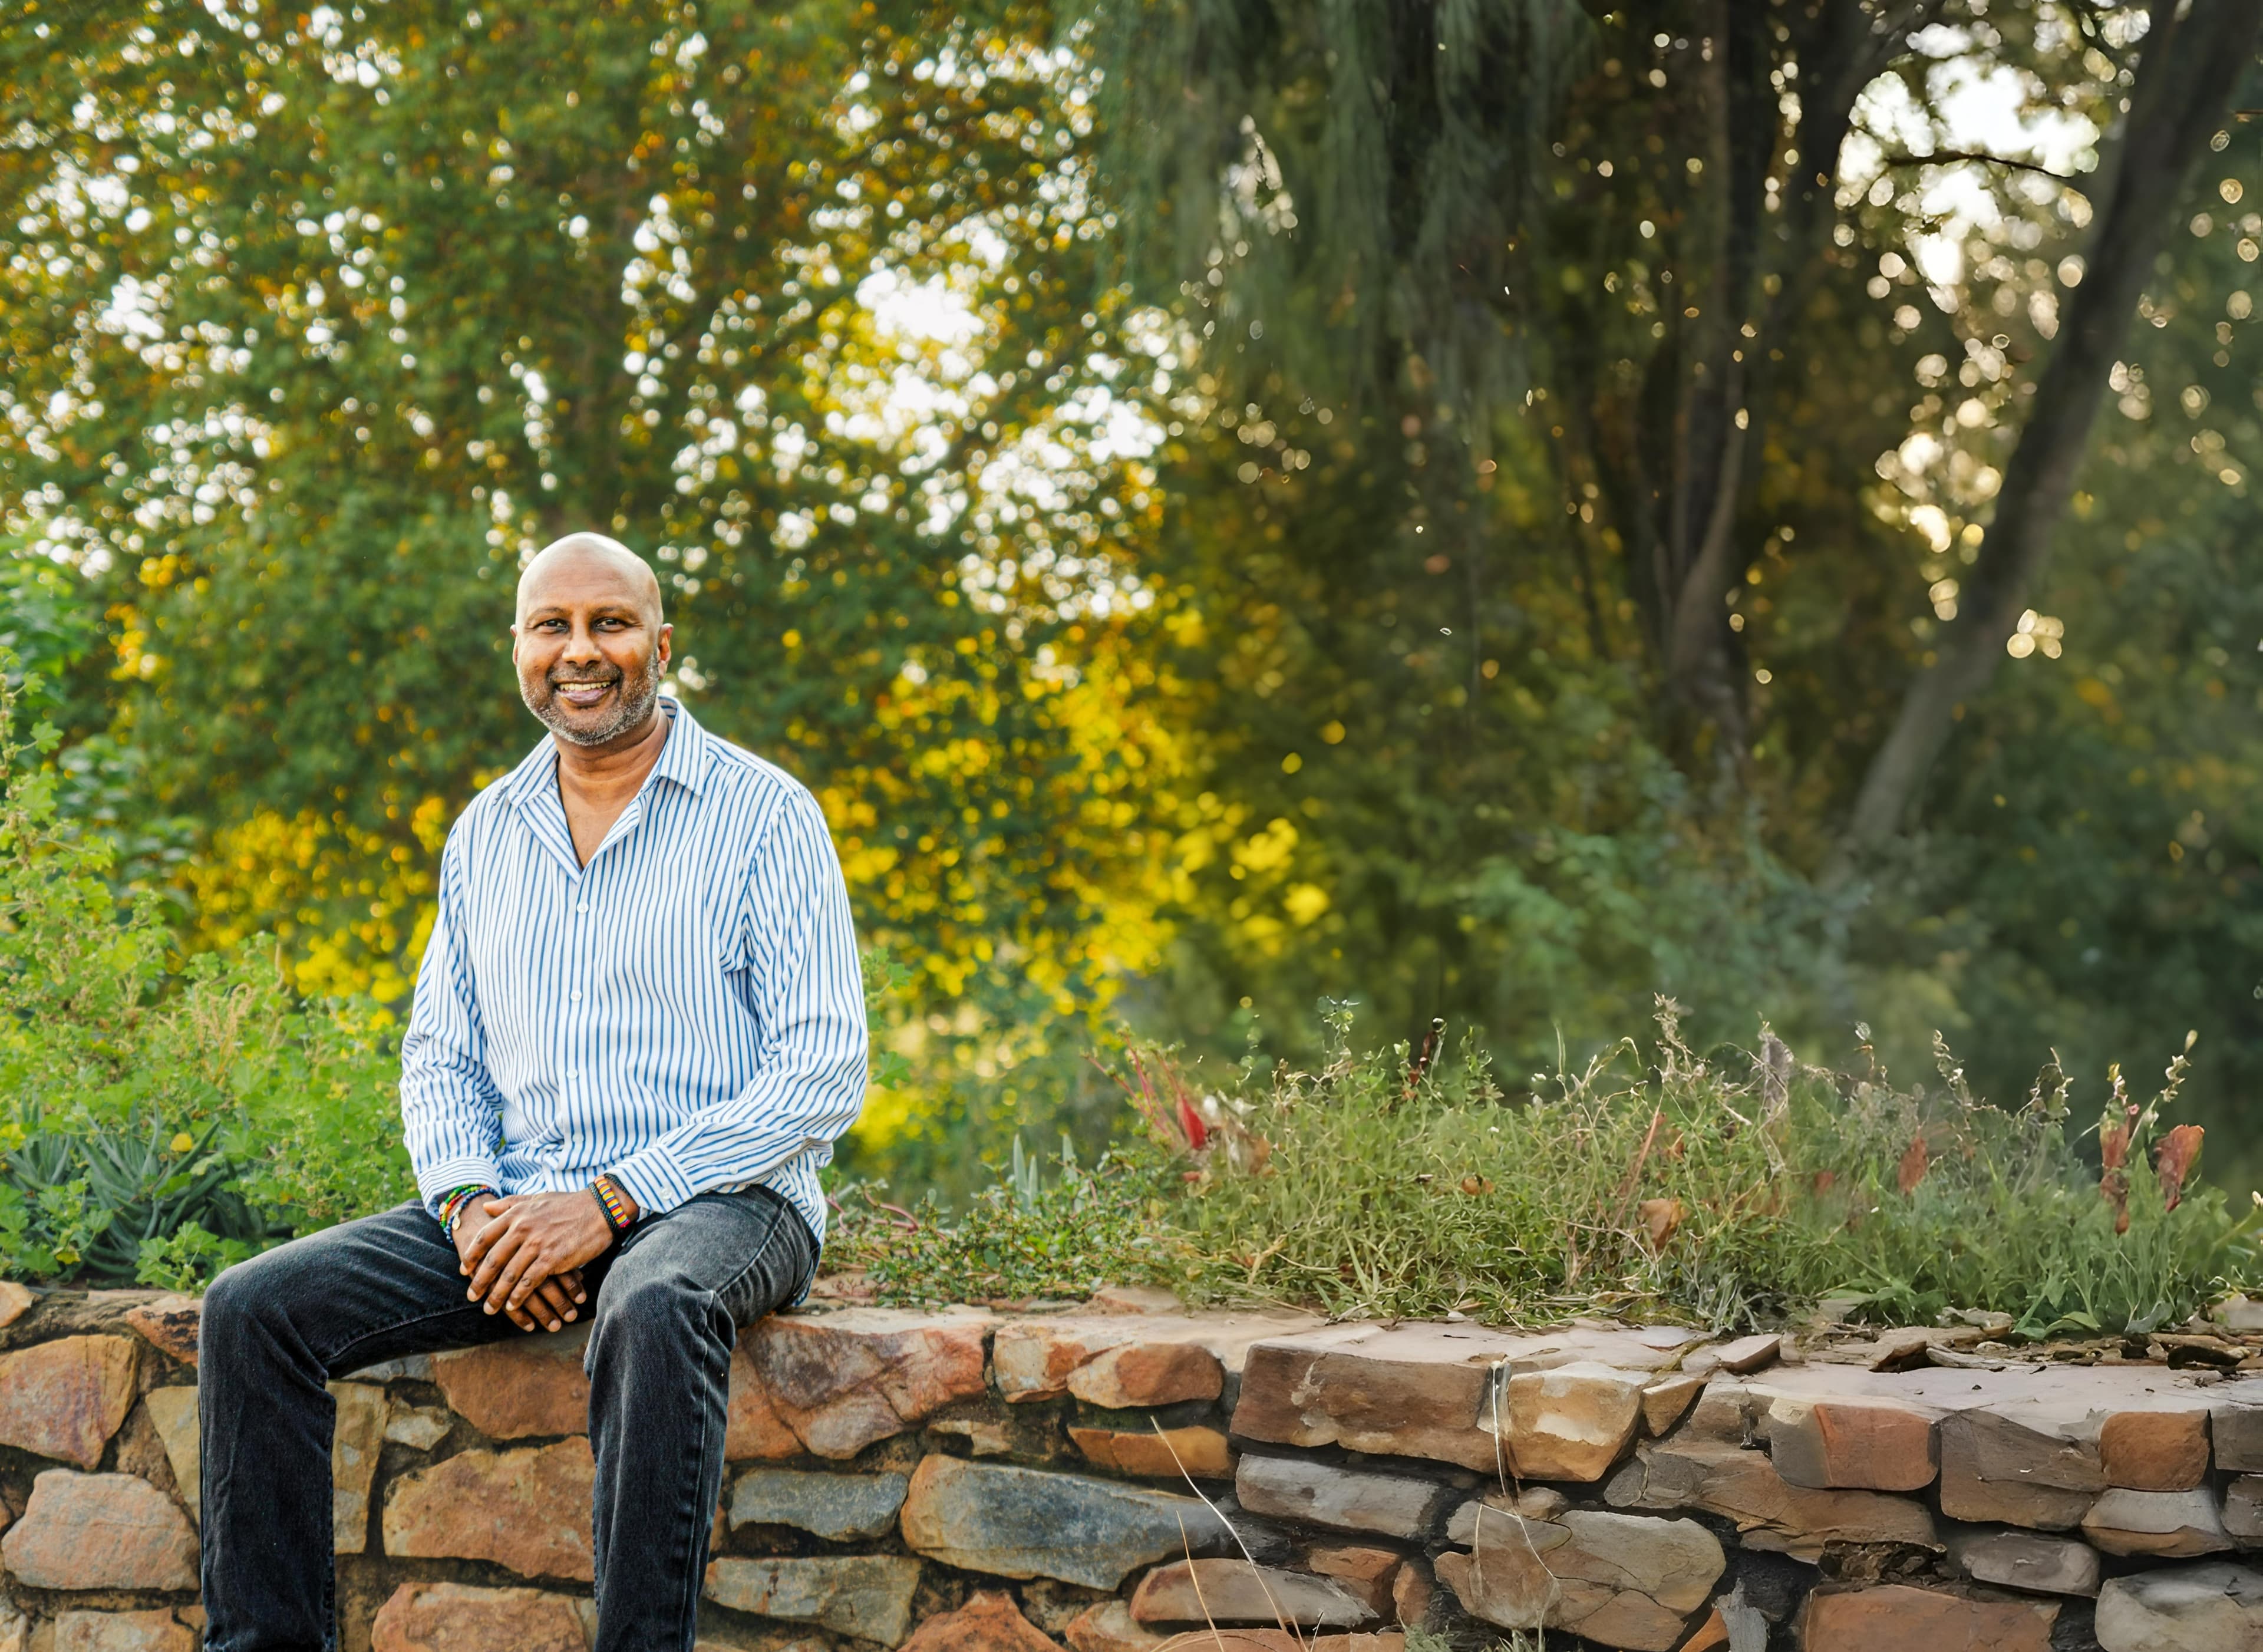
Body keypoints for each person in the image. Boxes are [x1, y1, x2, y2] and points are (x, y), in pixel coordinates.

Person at [197, 532, 867, 1652]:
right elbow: (440, 1057)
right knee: (251, 1311)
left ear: (661, 644)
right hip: (516, 1207)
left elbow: (821, 1070)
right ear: (518, 646)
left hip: (727, 1202)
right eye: (550, 626)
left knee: (654, 1303)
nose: (579, 651)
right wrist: (470, 1210)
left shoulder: (767, 814)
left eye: (609, 624)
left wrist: (606, 1207)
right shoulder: (486, 833)